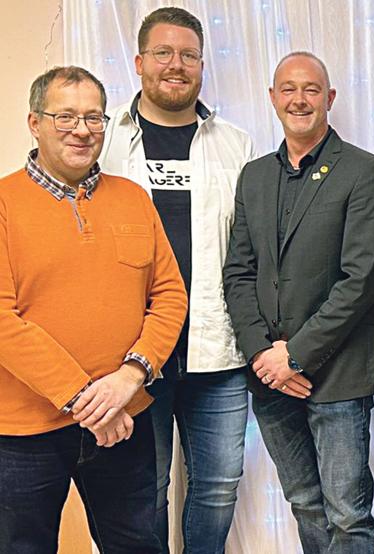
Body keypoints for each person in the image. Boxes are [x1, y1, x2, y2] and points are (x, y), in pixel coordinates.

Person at [0, 66, 187, 553]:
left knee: (140, 545)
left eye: (93, 117)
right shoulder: (2, 202)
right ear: (34, 122)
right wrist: (87, 400)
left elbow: (169, 295)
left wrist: (129, 378)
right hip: (24, 431)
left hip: (127, 416)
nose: (82, 130)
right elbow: (2, 321)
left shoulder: (133, 199)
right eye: (65, 117)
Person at [98, 8, 254, 552]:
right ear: (139, 62)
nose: (176, 65)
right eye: (163, 53)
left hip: (218, 351)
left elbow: (251, 248)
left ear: (202, 66)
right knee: (146, 489)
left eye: (188, 55)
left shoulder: (235, 143)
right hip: (132, 355)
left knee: (218, 486)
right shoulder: (105, 143)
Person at [223, 51, 374, 553]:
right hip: (270, 377)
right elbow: (238, 271)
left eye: (312, 89)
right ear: (273, 98)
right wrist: (263, 355)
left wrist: (294, 354)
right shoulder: (254, 176)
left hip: (336, 374)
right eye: (289, 89)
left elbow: (361, 280)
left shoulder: (363, 171)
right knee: (303, 501)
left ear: (330, 98)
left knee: (347, 513)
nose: (300, 99)